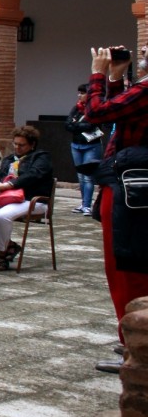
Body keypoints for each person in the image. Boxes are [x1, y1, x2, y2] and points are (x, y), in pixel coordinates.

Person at [85, 45, 148, 374]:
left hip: (132, 186)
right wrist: (115, 78)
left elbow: (97, 114)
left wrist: (97, 74)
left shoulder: (146, 89)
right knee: (129, 263)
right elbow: (118, 111)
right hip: (130, 183)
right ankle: (133, 338)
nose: (141, 51)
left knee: (126, 265)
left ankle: (136, 349)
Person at [0, 125, 54, 271]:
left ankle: (2, 253)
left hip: (32, 199)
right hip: (7, 198)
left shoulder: (41, 158)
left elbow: (33, 175)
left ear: (32, 144)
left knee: (3, 215)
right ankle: (10, 246)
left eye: (22, 145)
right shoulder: (9, 159)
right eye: (15, 144)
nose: (17, 148)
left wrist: (9, 184)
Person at [66, 84, 103, 215]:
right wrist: (79, 125)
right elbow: (68, 124)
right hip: (76, 145)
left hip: (91, 145)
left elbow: (91, 126)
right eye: (79, 93)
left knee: (88, 177)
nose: (79, 95)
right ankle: (82, 203)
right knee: (80, 177)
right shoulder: (76, 108)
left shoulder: (94, 109)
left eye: (82, 93)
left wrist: (77, 125)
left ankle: (87, 205)